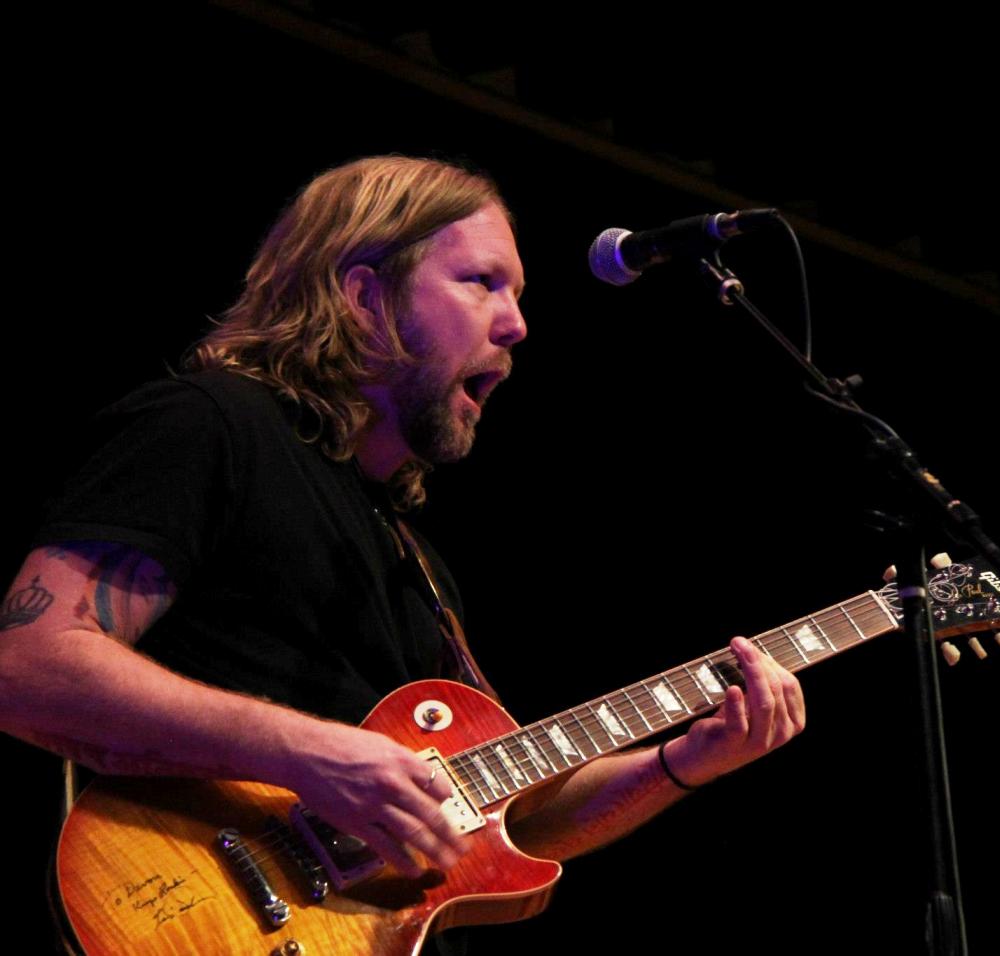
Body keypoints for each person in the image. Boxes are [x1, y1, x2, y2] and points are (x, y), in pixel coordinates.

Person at [0, 155, 805, 953]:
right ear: (363, 297)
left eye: (517, 296)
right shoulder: (211, 425)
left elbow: (511, 823)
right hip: (177, 906)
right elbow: (28, 669)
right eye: (481, 283)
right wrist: (313, 754)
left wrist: (685, 760)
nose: (517, 325)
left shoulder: (415, 563)